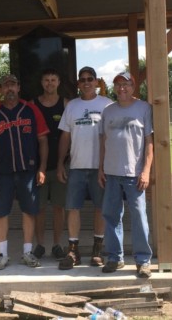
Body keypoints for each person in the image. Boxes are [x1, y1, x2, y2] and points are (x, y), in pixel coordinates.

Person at [0, 74, 49, 270]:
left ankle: (27, 252)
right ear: (1, 89)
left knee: (29, 211)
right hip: (2, 172)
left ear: (19, 87)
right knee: (1, 212)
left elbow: (43, 140)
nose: (9, 89)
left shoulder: (31, 110)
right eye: (5, 85)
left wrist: (42, 168)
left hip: (28, 170)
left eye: (13, 85)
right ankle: (2, 254)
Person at [56, 66, 113, 270]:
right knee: (72, 208)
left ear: (97, 82)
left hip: (101, 168)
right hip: (77, 167)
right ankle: (73, 251)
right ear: (78, 84)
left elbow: (113, 136)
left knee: (101, 208)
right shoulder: (72, 106)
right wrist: (61, 163)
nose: (87, 82)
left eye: (90, 79)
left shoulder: (108, 105)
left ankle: (98, 249)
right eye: (83, 80)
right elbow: (65, 136)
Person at [98, 71, 154, 278]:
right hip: (111, 173)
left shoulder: (144, 108)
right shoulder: (108, 111)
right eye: (118, 85)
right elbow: (102, 141)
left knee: (139, 217)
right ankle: (115, 258)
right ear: (114, 88)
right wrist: (100, 169)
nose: (122, 88)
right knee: (111, 216)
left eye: (126, 84)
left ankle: (143, 260)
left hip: (134, 173)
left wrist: (146, 171)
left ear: (133, 86)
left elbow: (149, 143)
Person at [30, 68, 69, 260]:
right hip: (37, 166)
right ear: (42, 83)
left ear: (59, 82)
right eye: (46, 80)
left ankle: (57, 244)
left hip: (61, 164)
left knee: (58, 207)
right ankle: (39, 245)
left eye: (53, 80)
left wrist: (64, 162)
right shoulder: (32, 105)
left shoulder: (66, 105)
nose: (50, 83)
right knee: (39, 208)